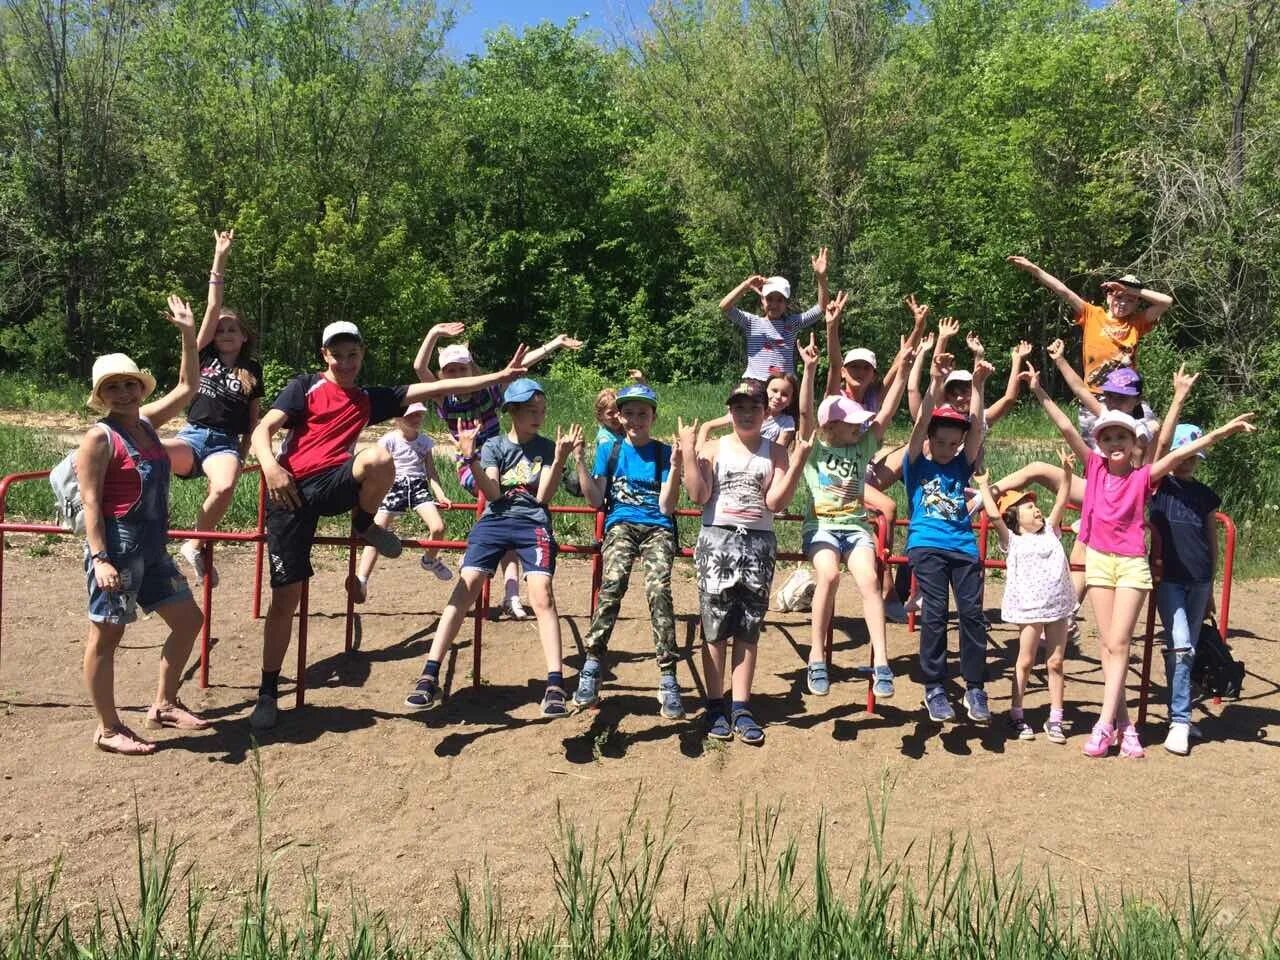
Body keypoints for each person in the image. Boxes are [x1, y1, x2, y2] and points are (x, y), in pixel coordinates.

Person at [248, 323, 527, 730]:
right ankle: (268, 691)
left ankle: (364, 523)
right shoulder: (304, 386)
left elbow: (429, 390)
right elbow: (262, 429)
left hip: (336, 483)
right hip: (288, 491)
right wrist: (271, 467)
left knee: (378, 458)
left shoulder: (367, 398)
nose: (345, 362)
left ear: (361, 355)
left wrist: (500, 377)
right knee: (286, 599)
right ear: (325, 354)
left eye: (352, 355)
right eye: (337, 354)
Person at [1022, 363, 1254, 758]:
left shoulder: (1143, 478)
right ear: (1099, 442)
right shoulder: (1093, 467)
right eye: (1107, 435)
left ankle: (1103, 725)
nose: (1114, 441)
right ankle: (1126, 725)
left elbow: (1177, 448)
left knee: (1119, 643)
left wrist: (1216, 425)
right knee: (1109, 647)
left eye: (1122, 436)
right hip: (1097, 560)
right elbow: (1064, 426)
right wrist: (1039, 390)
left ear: (1133, 444)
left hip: (1131, 563)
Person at [403, 379, 582, 717]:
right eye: (531, 411)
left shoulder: (545, 447)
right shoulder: (494, 446)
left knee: (541, 593)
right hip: (496, 520)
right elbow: (494, 493)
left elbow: (542, 497)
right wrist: (469, 459)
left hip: (532, 523)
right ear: (511, 412)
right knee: (466, 585)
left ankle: (555, 683)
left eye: (542, 411)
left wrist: (558, 460)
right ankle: (429, 674)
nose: (539, 417)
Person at [76, 296, 206, 755]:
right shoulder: (99, 437)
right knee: (107, 634)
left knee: (189, 620)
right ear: (102, 395)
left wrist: (188, 332)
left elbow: (190, 385)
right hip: (117, 547)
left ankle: (165, 704)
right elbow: (91, 501)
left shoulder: (147, 425)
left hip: (152, 547)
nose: (125, 393)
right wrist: (100, 558)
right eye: (114, 387)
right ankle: (108, 728)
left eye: (130, 384)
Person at [412, 325, 583, 620]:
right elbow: (418, 367)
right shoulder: (444, 398)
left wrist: (554, 342)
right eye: (449, 371)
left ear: (472, 369)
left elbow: (520, 366)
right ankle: (488, 560)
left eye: (461, 369)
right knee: (501, 507)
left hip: (502, 463)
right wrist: (435, 333)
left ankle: (509, 590)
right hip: (470, 465)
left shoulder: (489, 391)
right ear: (442, 376)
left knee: (510, 510)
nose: (455, 376)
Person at [681, 381, 812, 745]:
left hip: (758, 542)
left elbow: (776, 502)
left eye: (753, 406)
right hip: (717, 538)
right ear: (730, 410)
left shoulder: (776, 452)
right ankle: (714, 703)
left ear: (765, 411)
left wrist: (797, 463)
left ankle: (741, 705)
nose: (746, 413)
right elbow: (698, 495)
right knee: (715, 627)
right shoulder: (714, 447)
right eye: (739, 407)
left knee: (749, 626)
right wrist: (690, 453)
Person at [795, 294, 910, 700]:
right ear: (835, 427)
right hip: (822, 527)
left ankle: (881, 661)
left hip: (856, 528)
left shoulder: (862, 445)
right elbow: (808, 413)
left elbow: (889, 409)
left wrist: (910, 360)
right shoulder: (815, 447)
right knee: (827, 574)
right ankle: (816, 657)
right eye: (853, 424)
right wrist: (809, 370)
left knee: (868, 582)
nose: (862, 428)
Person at [572, 383, 684, 717]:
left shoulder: (663, 453)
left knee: (658, 589)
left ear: (653, 416)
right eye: (630, 413)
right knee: (613, 581)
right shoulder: (612, 451)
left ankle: (667, 677)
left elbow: (667, 507)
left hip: (657, 527)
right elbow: (595, 500)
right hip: (620, 524)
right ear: (619, 417)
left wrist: (676, 467)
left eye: (643, 413)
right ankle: (592, 663)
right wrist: (579, 460)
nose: (636, 419)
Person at [164, 229, 263, 588]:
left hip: (224, 442)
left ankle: (195, 545)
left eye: (232, 329)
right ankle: (144, 531)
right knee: (150, 452)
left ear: (244, 336)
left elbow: (254, 414)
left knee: (223, 487)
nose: (224, 333)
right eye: (220, 329)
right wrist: (220, 258)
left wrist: (246, 447)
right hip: (192, 435)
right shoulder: (202, 353)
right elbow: (212, 308)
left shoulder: (253, 370)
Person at [904, 349, 995, 724]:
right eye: (938, 442)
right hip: (927, 544)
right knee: (936, 613)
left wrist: (977, 385)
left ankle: (975, 687)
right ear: (929, 440)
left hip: (962, 546)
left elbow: (976, 428)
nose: (944, 449)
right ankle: (935, 687)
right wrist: (935, 382)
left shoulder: (960, 463)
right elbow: (921, 421)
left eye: (950, 444)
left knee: (973, 615)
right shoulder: (916, 463)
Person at [975, 453, 1076, 744]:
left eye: (1035, 506)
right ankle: (1016, 713)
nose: (1037, 511)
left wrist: (1067, 472)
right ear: (1015, 517)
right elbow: (993, 515)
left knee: (1056, 661)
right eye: (1029, 507)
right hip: (1030, 609)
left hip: (1057, 606)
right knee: (1026, 659)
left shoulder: (1052, 532)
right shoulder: (1013, 540)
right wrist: (984, 485)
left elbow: (1061, 499)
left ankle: (1056, 716)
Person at [1150, 370, 1221, 755]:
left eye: (1195, 457)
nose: (1188, 463)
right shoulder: (1160, 486)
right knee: (1180, 646)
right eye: (1184, 456)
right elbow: (1160, 451)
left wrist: (1212, 587)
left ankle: (1182, 713)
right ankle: (1179, 721)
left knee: (1188, 647)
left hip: (1199, 578)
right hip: (1170, 578)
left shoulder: (1206, 495)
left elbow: (1211, 539)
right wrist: (1178, 396)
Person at [1006, 256, 1172, 392]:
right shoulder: (1092, 314)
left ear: (1136, 304)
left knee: (1149, 429)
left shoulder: (1137, 322)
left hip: (1126, 395)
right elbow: (1063, 291)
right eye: (1118, 297)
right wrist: (1033, 269)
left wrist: (1130, 290)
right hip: (1095, 393)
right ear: (1108, 297)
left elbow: (1166, 302)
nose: (1122, 303)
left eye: (1130, 300)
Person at [351, 402, 453, 603]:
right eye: (410, 416)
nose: (416, 420)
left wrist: (440, 494)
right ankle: (361, 580)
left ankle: (429, 560)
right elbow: (378, 466)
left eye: (419, 416)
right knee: (376, 531)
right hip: (393, 485)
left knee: (439, 527)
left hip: (417, 487)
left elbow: (431, 472)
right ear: (397, 419)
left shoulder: (425, 442)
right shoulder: (389, 439)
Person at [719, 248, 829, 382]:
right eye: (769, 299)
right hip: (755, 382)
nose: (774, 304)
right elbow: (724, 307)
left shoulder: (792, 323)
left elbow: (822, 308)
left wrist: (821, 278)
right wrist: (746, 285)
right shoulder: (752, 322)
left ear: (786, 303)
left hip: (783, 386)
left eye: (780, 300)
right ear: (762, 300)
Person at [696, 370, 799, 451]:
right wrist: (699, 450)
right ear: (765, 390)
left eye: (785, 394)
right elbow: (706, 426)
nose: (778, 396)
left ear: (791, 400)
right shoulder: (744, 412)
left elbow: (778, 451)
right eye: (774, 390)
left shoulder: (787, 422)